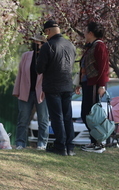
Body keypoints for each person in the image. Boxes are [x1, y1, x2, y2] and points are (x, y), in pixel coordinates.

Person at [35, 20, 76, 156]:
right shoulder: (70, 45)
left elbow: (39, 68)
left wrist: (39, 54)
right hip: (67, 85)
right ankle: (70, 147)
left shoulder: (48, 46)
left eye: (45, 32)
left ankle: (60, 146)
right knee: (67, 116)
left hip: (53, 86)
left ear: (48, 31)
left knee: (57, 117)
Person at [78, 22, 110, 153]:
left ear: (91, 33)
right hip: (87, 84)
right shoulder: (91, 47)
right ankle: (94, 142)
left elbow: (104, 68)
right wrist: (79, 83)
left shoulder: (99, 46)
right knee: (86, 114)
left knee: (91, 114)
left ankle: (98, 143)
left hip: (94, 85)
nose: (84, 34)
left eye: (86, 31)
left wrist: (102, 85)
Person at [13, 34, 49, 150]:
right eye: (33, 41)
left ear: (43, 44)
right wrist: (17, 90)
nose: (34, 43)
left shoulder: (47, 56)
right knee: (22, 119)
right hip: (26, 92)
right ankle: (20, 143)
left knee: (43, 120)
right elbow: (20, 74)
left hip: (42, 93)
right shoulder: (26, 56)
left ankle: (42, 144)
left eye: (37, 42)